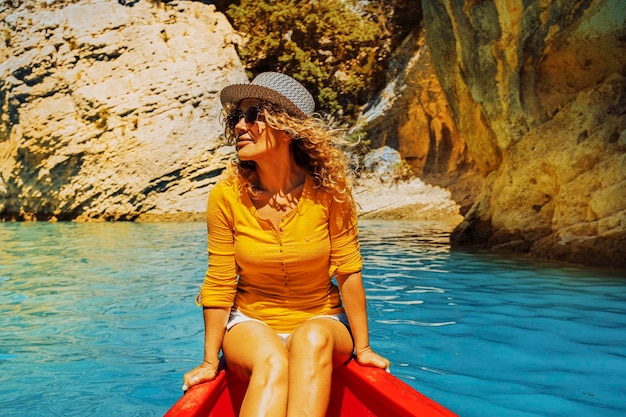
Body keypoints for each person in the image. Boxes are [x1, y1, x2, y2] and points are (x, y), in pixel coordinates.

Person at [182, 72, 389, 417]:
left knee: (311, 340)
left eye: (252, 115)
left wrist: (363, 348)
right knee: (271, 361)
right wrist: (207, 361)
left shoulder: (329, 191)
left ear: (287, 127)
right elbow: (219, 281)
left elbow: (348, 270)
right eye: (237, 117)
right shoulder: (226, 195)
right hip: (250, 322)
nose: (238, 126)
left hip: (323, 318)